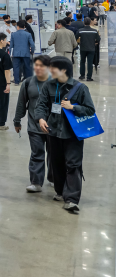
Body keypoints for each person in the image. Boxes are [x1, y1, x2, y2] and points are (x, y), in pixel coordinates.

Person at [33, 56, 95, 214]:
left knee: (73, 165)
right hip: (53, 132)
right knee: (56, 164)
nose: (50, 70)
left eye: (53, 67)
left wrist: (73, 107)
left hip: (72, 134)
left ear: (64, 70)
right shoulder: (48, 86)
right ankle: (60, 192)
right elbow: (41, 105)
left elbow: (90, 110)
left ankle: (72, 199)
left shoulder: (80, 88)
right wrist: (41, 119)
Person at [13, 55, 52, 193]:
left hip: (52, 126)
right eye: (36, 65)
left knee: (53, 154)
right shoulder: (28, 82)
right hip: (34, 125)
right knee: (37, 153)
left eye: (42, 65)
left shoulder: (55, 83)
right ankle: (36, 182)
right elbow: (21, 103)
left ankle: (53, 178)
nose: (38, 68)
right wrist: (17, 120)